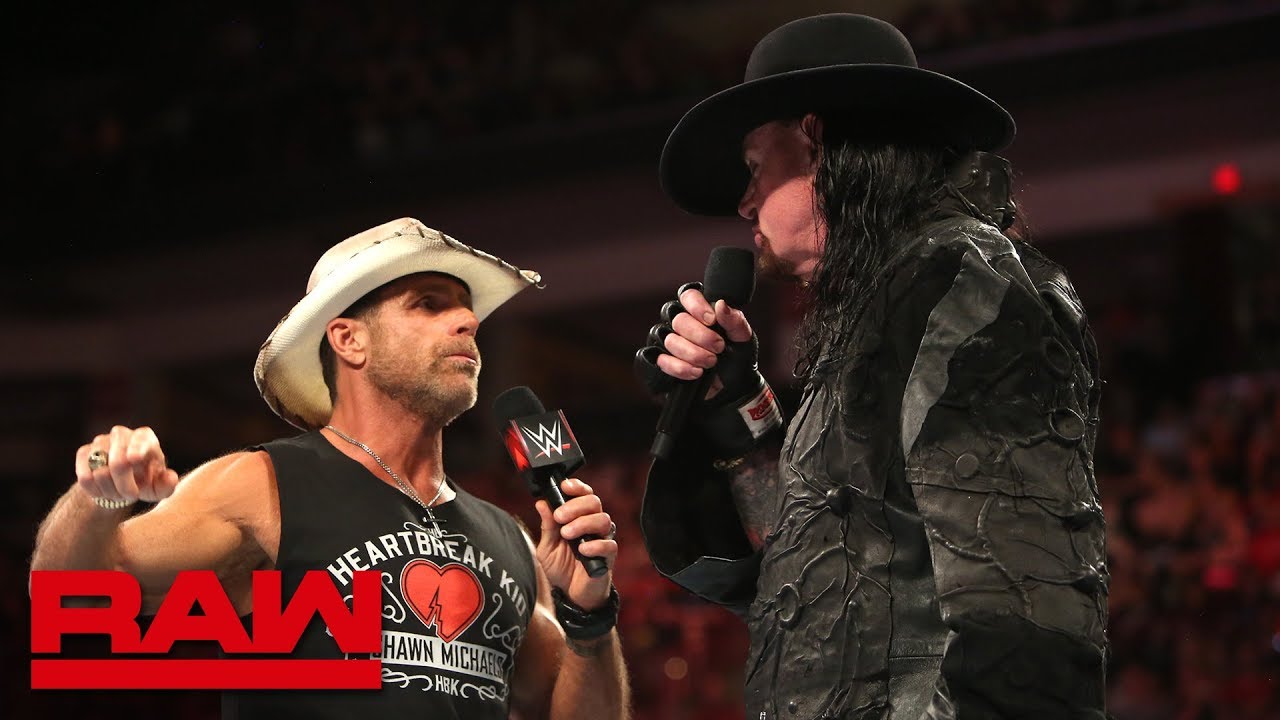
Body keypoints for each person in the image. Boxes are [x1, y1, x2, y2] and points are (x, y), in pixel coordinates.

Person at [634, 14, 1107, 720]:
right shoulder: (886, 308)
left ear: (814, 141)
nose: (744, 201)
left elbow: (1019, 608)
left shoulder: (957, 283)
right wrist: (733, 404)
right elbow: (808, 582)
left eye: (756, 167)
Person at [31, 217, 631, 720]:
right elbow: (69, 602)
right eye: (428, 304)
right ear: (349, 341)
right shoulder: (264, 485)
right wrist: (98, 496)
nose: (468, 321)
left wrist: (589, 618)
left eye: (466, 308)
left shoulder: (511, 540)